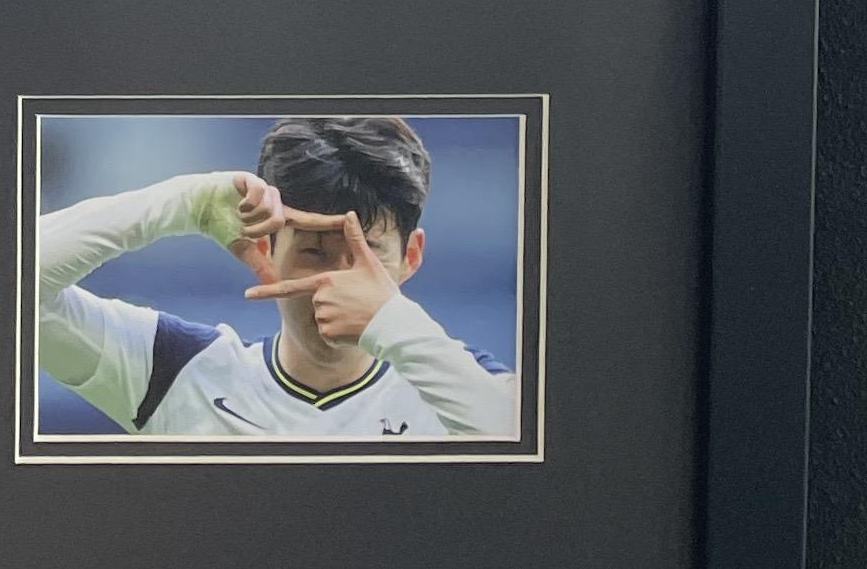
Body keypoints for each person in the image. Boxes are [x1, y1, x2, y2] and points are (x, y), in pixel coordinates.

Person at [35, 111, 518, 440]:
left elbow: (531, 462)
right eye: (313, 251)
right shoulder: (176, 371)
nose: (337, 281)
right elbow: (10, 287)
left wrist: (391, 322)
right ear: (266, 246)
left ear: (411, 256)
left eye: (366, 252)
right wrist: (182, 204)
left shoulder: (457, 384)